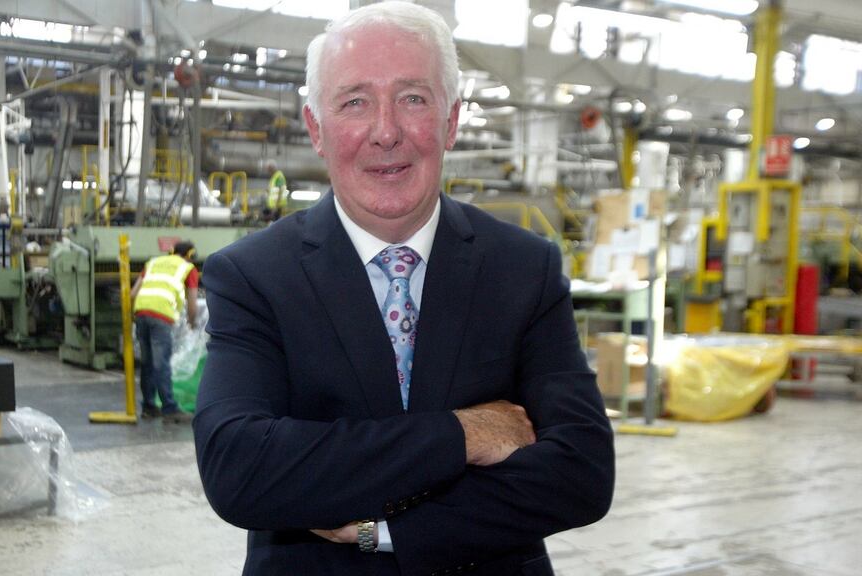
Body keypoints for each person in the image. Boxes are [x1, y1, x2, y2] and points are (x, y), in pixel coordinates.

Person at [193, 3, 614, 575]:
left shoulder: (523, 268)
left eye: (413, 98)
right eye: (355, 102)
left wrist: (380, 530)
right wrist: (464, 434)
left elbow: (583, 472)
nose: (385, 131)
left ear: (451, 120)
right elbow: (240, 470)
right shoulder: (254, 276)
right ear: (317, 128)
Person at [132, 239, 199, 422]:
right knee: (161, 363)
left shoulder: (153, 263)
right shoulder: (188, 268)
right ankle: (170, 408)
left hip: (141, 314)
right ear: (190, 255)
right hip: (160, 317)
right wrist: (192, 322)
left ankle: (148, 406)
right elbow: (192, 301)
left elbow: (133, 293)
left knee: (147, 363)